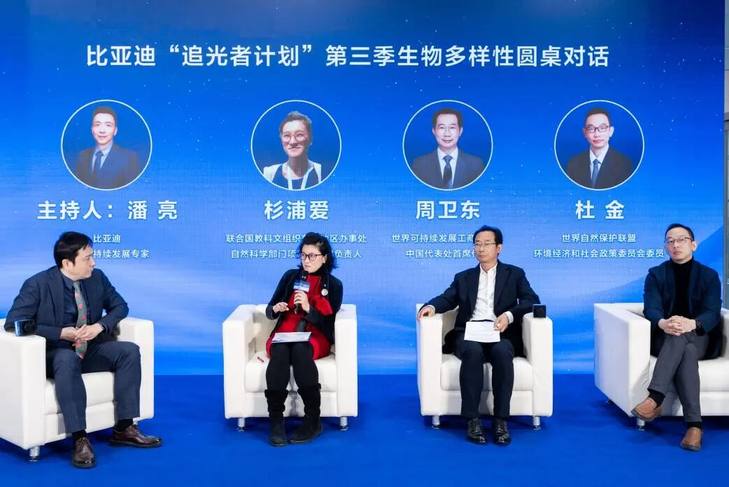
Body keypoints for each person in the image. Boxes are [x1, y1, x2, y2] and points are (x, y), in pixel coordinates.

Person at [3, 231, 161, 468]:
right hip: (55, 354)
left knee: (129, 351)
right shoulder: (37, 284)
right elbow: (13, 322)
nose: (93, 262)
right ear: (67, 263)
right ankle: (79, 439)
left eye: (92, 256)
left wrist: (99, 326)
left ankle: (124, 428)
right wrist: (60, 333)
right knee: (66, 358)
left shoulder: (97, 278)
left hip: (88, 349)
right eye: (87, 258)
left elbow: (120, 307)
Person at [417, 225, 539, 445]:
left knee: (502, 352)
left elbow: (531, 300)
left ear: (499, 247)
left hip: (500, 331)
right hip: (469, 332)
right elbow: (447, 298)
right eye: (477, 244)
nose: (481, 248)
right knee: (472, 352)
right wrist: (431, 307)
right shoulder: (464, 277)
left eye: (487, 244)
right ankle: (472, 420)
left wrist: (509, 316)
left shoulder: (515, 274)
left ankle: (500, 421)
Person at [631, 223, 722, 452]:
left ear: (693, 244)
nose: (675, 244)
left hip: (700, 336)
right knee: (683, 346)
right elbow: (651, 308)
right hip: (666, 336)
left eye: (681, 239)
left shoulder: (709, 276)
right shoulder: (656, 274)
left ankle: (655, 399)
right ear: (666, 247)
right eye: (670, 241)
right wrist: (663, 323)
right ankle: (694, 426)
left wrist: (691, 323)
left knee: (685, 339)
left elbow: (712, 312)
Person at [264, 232, 343, 446]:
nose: (307, 260)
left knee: (300, 348)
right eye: (303, 255)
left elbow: (328, 323)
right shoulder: (290, 276)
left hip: (315, 335)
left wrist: (309, 309)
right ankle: (276, 422)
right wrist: (275, 308)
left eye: (312, 256)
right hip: (285, 331)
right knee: (280, 350)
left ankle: (312, 420)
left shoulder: (334, 285)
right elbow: (270, 309)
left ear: (324, 258)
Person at [410, 107, 485, 190]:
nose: (447, 134)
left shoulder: (476, 164)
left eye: (452, 127)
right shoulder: (419, 164)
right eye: (442, 127)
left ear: (460, 131)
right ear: (434, 131)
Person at [74, 106, 142, 189]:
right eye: (97, 124)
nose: (102, 130)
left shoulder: (129, 158)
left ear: (115, 131)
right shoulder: (82, 156)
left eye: (108, 125)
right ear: (92, 129)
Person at [565, 107, 633, 189]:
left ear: (611, 131)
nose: (597, 134)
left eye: (602, 128)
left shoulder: (624, 164)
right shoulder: (573, 164)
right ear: (584, 132)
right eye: (591, 129)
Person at [263, 111, 324, 190]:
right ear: (281, 139)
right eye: (287, 135)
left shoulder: (321, 172)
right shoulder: (269, 174)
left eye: (299, 135)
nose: (293, 142)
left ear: (310, 139)